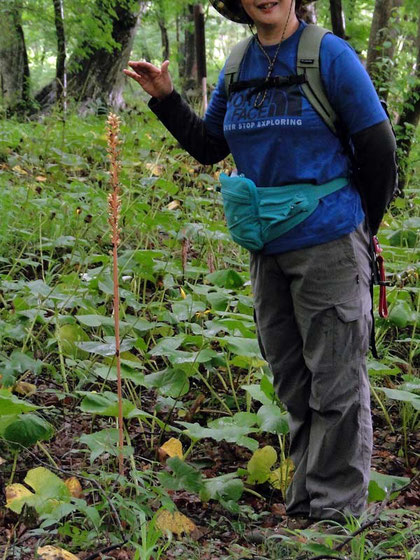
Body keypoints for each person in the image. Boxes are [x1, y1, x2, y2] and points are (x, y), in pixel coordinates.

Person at [124, 0, 397, 527]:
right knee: (293, 378)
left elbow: (379, 148)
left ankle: (335, 516)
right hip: (265, 245)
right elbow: (210, 146)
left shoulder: (329, 56)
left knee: (336, 379)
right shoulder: (237, 63)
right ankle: (307, 498)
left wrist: (364, 228)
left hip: (330, 240)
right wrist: (166, 98)